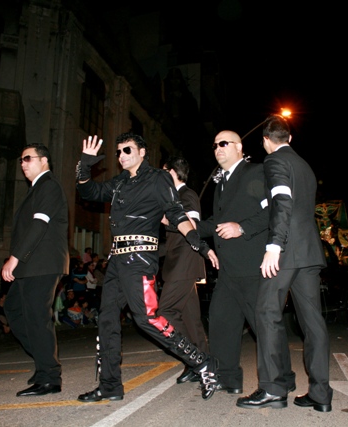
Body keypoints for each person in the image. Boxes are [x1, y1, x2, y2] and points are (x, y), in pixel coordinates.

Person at [75, 132, 220, 402]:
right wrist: (85, 164)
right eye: (118, 152)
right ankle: (110, 385)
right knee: (107, 320)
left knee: (147, 318)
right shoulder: (119, 182)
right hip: (117, 261)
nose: (121, 156)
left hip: (139, 259)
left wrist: (200, 245)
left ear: (142, 152)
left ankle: (202, 362)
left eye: (127, 150)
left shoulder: (158, 178)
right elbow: (89, 191)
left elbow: (176, 213)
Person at [237, 115, 333, 412]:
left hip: (287, 249)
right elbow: (290, 202)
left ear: (266, 141)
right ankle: (320, 393)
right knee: (313, 322)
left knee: (266, 312)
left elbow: (283, 202)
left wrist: (274, 246)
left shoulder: (273, 161)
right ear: (290, 138)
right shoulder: (304, 165)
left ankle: (272, 389)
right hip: (309, 252)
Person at [197, 132, 271, 395]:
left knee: (264, 327)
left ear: (239, 147)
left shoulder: (255, 172)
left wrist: (242, 227)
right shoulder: (221, 184)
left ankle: (281, 378)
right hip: (227, 270)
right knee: (221, 321)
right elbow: (215, 224)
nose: (217, 148)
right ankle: (228, 379)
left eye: (223, 144)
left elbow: (274, 211)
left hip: (252, 266)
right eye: (214, 145)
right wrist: (181, 224)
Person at [1, 143, 70, 397]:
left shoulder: (49, 185)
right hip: (31, 265)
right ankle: (44, 361)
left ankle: (49, 377)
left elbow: (39, 225)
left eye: (28, 158)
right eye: (21, 160)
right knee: (14, 310)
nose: (23, 164)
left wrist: (14, 258)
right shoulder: (37, 188)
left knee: (37, 318)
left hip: (42, 264)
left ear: (44, 161)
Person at [158, 156, 209, 385]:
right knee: (191, 319)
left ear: (171, 172)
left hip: (184, 262)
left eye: (163, 172)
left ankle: (195, 357)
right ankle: (200, 363)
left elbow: (192, 224)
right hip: (177, 262)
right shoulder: (173, 196)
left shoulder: (187, 195)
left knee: (165, 311)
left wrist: (166, 221)